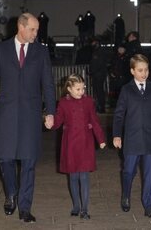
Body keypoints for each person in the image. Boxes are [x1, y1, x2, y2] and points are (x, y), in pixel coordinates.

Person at [0, 13, 56, 223]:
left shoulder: (41, 51)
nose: (36, 33)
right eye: (33, 29)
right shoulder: (0, 50)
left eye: (37, 29)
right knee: (5, 158)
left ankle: (25, 207)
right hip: (6, 113)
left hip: (31, 114)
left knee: (29, 162)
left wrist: (50, 111)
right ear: (21, 27)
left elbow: (48, 83)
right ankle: (11, 193)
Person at [112, 54, 151, 218]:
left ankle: (149, 206)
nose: (144, 73)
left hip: (149, 139)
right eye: (140, 70)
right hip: (132, 139)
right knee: (128, 171)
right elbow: (119, 115)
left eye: (146, 70)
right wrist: (117, 135)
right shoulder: (126, 90)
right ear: (132, 71)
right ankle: (126, 194)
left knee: (149, 175)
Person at [45, 74, 106, 219]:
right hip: (70, 144)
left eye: (83, 88)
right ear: (69, 89)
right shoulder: (63, 103)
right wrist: (50, 123)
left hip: (85, 143)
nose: (81, 92)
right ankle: (76, 206)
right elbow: (58, 120)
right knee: (73, 177)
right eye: (78, 89)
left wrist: (101, 139)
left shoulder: (89, 101)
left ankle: (85, 209)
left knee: (84, 177)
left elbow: (95, 120)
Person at [89, 37, 108, 113]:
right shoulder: (96, 51)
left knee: (99, 91)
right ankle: (99, 106)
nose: (92, 44)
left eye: (93, 42)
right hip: (97, 74)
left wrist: (93, 71)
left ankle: (101, 106)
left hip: (99, 74)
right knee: (97, 91)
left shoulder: (100, 51)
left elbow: (99, 63)